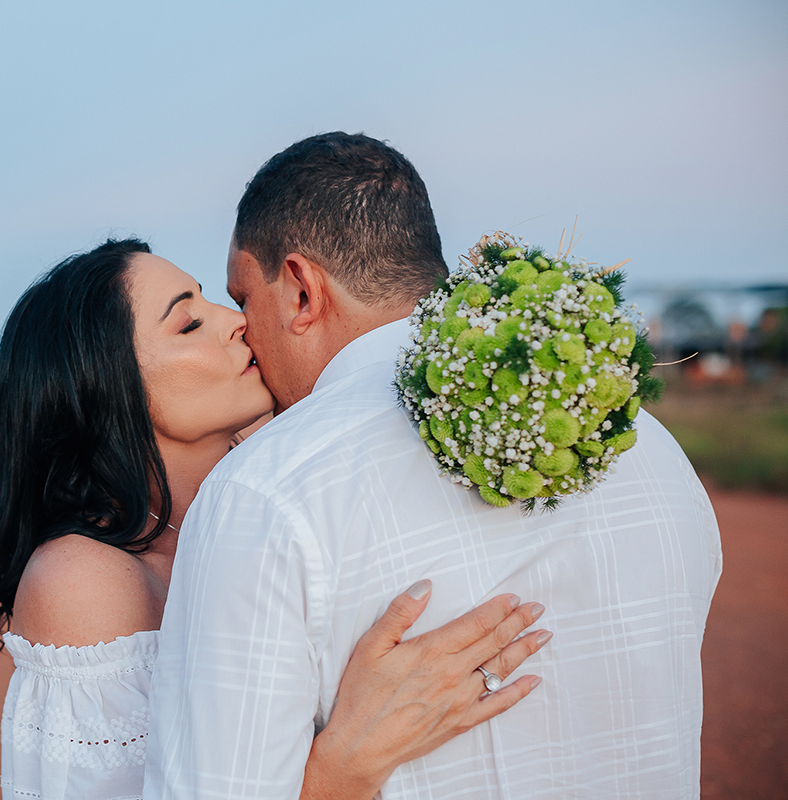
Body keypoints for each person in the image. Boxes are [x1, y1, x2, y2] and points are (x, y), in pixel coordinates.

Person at [144, 132, 723, 798]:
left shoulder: (264, 493)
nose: (241, 328)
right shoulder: (647, 447)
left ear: (302, 290)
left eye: (244, 298)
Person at [0, 238, 552, 800]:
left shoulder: (267, 505)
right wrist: (351, 762)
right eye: (188, 324)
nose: (236, 321)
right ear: (104, 385)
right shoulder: (84, 581)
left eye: (214, 302)